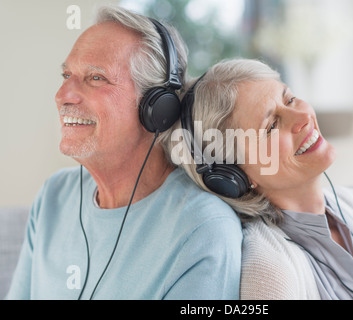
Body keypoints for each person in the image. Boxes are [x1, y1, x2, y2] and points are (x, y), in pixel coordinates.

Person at [6, 6, 242, 300]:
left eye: (95, 78)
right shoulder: (53, 197)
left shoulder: (202, 229)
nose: (62, 95)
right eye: (66, 74)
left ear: (158, 109)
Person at [163, 58, 353, 300]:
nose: (303, 118)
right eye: (272, 126)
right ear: (234, 176)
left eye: (290, 99)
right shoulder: (270, 270)